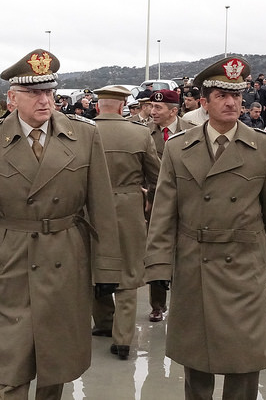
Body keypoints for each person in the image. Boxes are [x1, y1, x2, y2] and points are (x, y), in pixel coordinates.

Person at [0, 49, 120, 399]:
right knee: (12, 364)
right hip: (12, 259)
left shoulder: (84, 135)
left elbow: (102, 208)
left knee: (57, 363)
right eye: (34, 92)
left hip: (65, 258)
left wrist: (107, 270)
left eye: (49, 92)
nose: (45, 100)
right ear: (13, 97)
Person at [145, 56, 266, 400]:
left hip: (243, 267)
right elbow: (164, 213)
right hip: (194, 265)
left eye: (237, 97)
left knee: (244, 361)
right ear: (205, 101)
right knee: (196, 362)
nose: (231, 103)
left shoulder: (265, 147)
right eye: (223, 96)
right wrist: (158, 266)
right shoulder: (178, 148)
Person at [91, 85, 160, 360]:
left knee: (95, 266)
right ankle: (123, 338)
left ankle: (104, 323)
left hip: (91, 208)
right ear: (122, 106)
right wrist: (149, 199)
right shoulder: (140, 134)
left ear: (98, 106)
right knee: (129, 273)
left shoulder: (83, 131)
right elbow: (157, 177)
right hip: (128, 208)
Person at [146, 89, 193, 322]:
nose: (152, 111)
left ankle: (185, 301)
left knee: (185, 254)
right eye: (152, 107)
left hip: (186, 202)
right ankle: (157, 305)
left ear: (174, 111)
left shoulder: (193, 133)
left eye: (158, 108)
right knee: (158, 251)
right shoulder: (144, 133)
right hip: (153, 203)